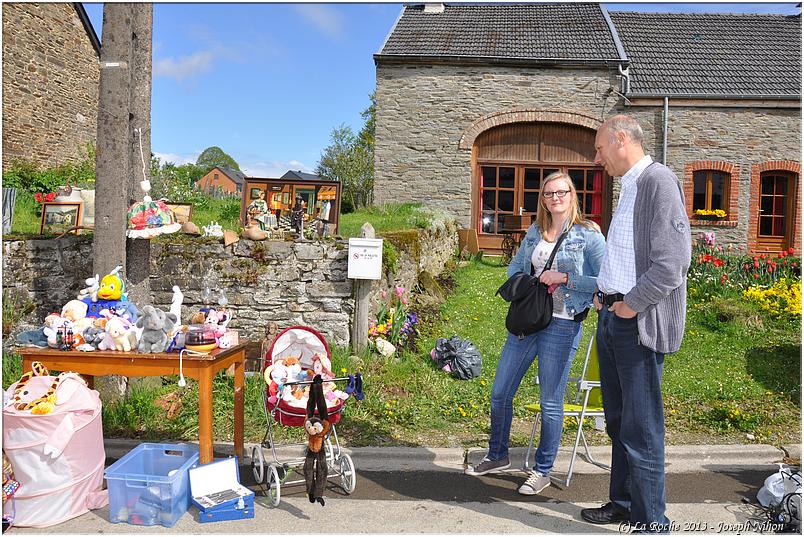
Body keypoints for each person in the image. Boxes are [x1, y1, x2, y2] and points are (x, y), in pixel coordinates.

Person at [581, 115, 690, 532]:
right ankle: (624, 503)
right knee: (619, 422)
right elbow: (626, 255)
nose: (597, 158)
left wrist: (632, 304)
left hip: (636, 324)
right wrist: (605, 292)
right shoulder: (627, 187)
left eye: (599, 148)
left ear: (621, 139)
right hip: (611, 317)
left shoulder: (657, 183)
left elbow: (673, 262)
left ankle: (651, 522)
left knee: (642, 430)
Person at [465, 171, 605, 496]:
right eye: (548, 193)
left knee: (550, 402)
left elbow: (606, 280)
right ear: (542, 199)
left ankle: (542, 470)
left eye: (561, 192)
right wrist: (529, 282)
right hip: (528, 322)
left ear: (572, 195)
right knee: (500, 392)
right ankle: (498, 454)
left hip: (563, 324)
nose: (555, 198)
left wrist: (566, 279)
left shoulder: (589, 236)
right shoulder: (535, 231)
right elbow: (515, 266)